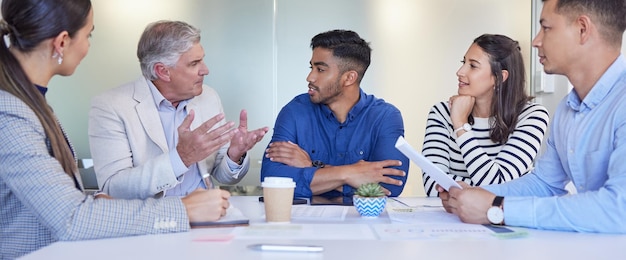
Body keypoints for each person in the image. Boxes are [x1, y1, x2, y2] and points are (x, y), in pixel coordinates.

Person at [0, 1, 232, 258]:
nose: (88, 46)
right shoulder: (10, 113)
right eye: (88, 35)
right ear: (62, 42)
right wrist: (184, 209)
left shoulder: (30, 103)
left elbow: (58, 204)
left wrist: (98, 204)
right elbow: (71, 218)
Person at [439, 0, 626, 233]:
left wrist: (498, 207)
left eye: (546, 28)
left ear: (582, 29)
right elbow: (545, 183)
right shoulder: (568, 110)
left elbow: (620, 209)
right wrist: (477, 196)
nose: (536, 41)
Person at [88, 20, 269, 199]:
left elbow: (223, 176)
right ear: (163, 71)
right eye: (194, 63)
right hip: (154, 221)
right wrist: (181, 158)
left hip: (208, 214)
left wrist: (235, 154)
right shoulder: (110, 107)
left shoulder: (208, 97)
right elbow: (113, 188)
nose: (205, 70)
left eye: (202, 60)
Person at [261, 30, 409, 198]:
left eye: (320, 69)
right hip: (306, 223)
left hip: (364, 223)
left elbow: (389, 188)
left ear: (349, 78)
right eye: (311, 67)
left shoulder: (385, 117)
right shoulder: (295, 111)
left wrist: (311, 167)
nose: (310, 77)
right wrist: (349, 174)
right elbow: (271, 179)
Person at [422, 34, 549, 196]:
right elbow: (432, 183)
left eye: (473, 66)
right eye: (463, 63)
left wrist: (461, 125)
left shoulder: (532, 116)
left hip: (503, 219)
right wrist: (488, 191)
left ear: (498, 78)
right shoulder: (441, 112)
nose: (460, 72)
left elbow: (497, 181)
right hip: (449, 218)